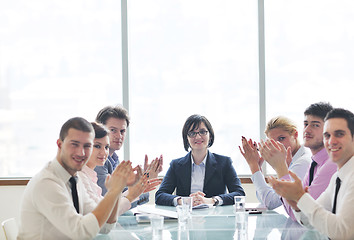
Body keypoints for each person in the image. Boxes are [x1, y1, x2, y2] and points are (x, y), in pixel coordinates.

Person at [17, 117, 140, 239]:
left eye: (87, 146)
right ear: (60, 144)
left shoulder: (74, 180)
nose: (81, 153)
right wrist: (113, 192)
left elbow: (105, 227)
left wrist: (117, 190)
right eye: (74, 144)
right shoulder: (47, 183)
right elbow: (80, 233)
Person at [269, 108, 354, 239]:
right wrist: (296, 205)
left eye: (339, 134)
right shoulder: (337, 176)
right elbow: (309, 220)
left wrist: (299, 198)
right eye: (327, 135)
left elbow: (343, 232)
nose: (331, 141)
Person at [261, 102, 336, 220]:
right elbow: (295, 211)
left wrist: (281, 167)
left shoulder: (331, 165)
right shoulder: (313, 163)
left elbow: (304, 214)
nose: (307, 130)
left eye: (315, 125)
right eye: (306, 124)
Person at [155, 114, 245, 207]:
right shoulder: (176, 165)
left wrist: (212, 200)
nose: (198, 137)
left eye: (202, 132)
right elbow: (160, 195)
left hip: (214, 217)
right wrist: (184, 201)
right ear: (187, 138)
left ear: (210, 135)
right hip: (185, 216)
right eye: (192, 133)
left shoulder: (224, 163)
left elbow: (239, 193)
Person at [78, 122, 161, 215]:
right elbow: (103, 214)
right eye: (97, 146)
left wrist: (134, 191)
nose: (104, 152)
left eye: (106, 147)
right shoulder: (80, 177)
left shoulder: (91, 176)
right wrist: (129, 194)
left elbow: (107, 207)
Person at [94, 105, 163, 208]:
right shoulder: (98, 161)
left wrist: (145, 179)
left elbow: (125, 194)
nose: (119, 136)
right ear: (100, 130)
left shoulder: (114, 160)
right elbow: (110, 200)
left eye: (122, 131)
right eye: (113, 130)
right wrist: (140, 187)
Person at [239, 116, 311, 210]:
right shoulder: (289, 161)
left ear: (295, 134)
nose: (277, 145)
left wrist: (253, 166)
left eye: (281, 138)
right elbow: (265, 200)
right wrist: (258, 168)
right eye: (272, 142)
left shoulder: (302, 163)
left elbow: (271, 202)